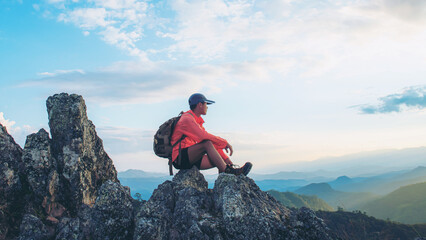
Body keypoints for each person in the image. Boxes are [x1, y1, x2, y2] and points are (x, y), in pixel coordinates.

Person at [171, 93, 252, 176]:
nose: (207, 107)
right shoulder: (187, 118)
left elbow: (211, 143)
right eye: (206, 104)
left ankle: (227, 177)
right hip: (180, 158)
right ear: (200, 105)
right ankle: (228, 171)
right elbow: (204, 137)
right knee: (207, 143)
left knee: (218, 159)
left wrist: (227, 160)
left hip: (191, 157)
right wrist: (224, 143)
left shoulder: (196, 121)